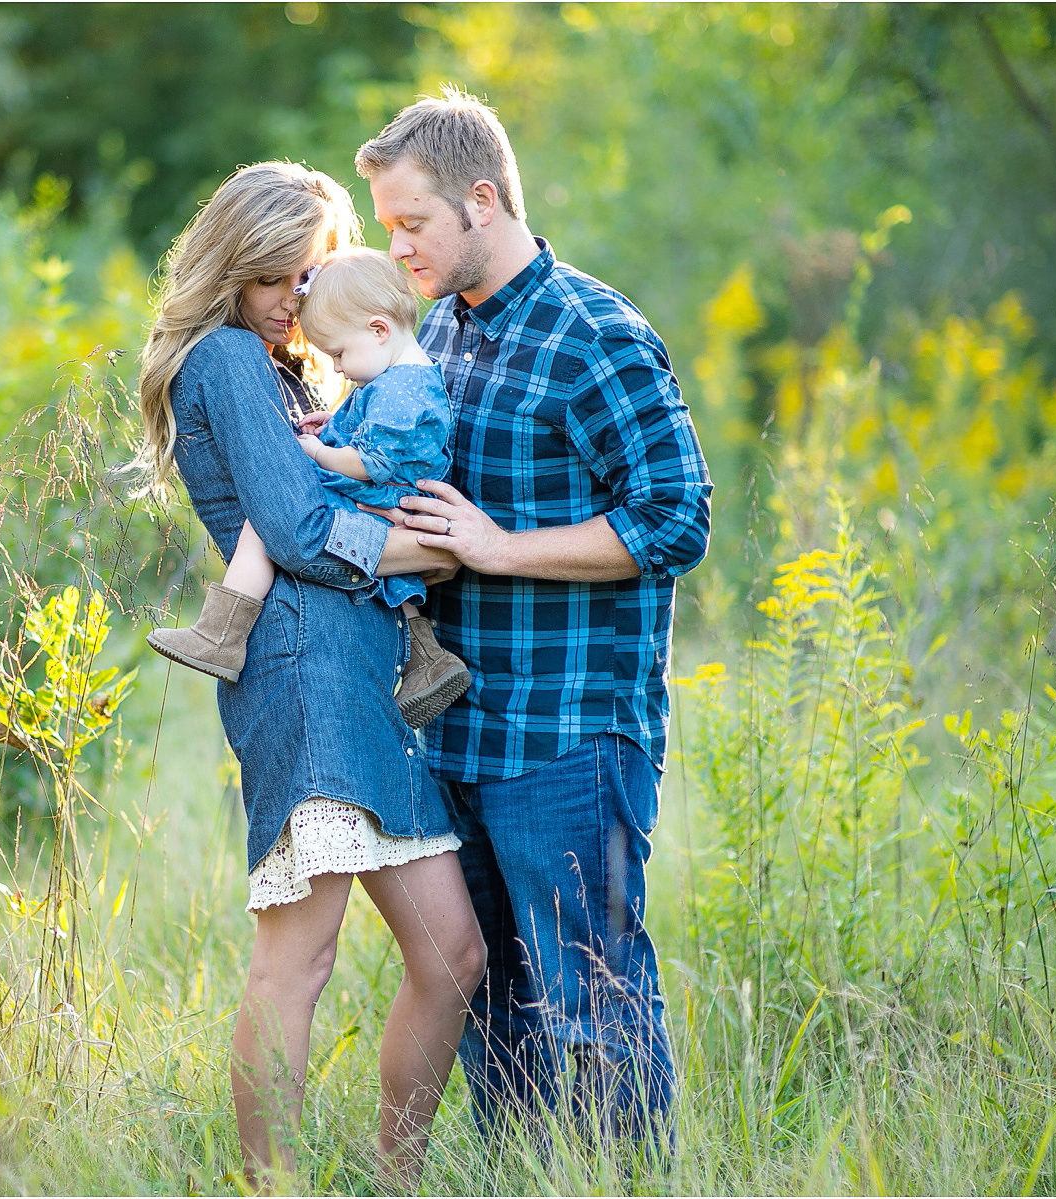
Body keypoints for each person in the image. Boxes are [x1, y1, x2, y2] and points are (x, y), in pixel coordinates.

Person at [354, 91, 713, 1145]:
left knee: (592, 999)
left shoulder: (594, 331)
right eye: (386, 226)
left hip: (566, 735)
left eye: (410, 221)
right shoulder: (438, 336)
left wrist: (499, 547)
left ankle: (630, 1178)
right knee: (492, 1009)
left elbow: (675, 518)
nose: (397, 244)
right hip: (455, 730)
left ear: (481, 199)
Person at [132, 161, 486, 1191]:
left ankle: (397, 1179)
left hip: (363, 672)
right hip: (297, 664)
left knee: (452, 956)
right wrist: (426, 551)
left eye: (314, 274)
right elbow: (291, 527)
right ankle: (270, 1185)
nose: (302, 299)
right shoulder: (228, 360)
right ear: (235, 267)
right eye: (282, 277)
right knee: (302, 956)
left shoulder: (297, 367)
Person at [146, 246, 472, 729]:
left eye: (339, 354)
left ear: (378, 329)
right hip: (397, 496)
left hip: (386, 490)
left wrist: (318, 453)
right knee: (385, 573)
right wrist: (335, 422)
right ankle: (427, 658)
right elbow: (376, 423)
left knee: (271, 515)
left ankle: (222, 631)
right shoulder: (401, 374)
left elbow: (373, 459)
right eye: (267, 281)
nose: (337, 368)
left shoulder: (403, 385)